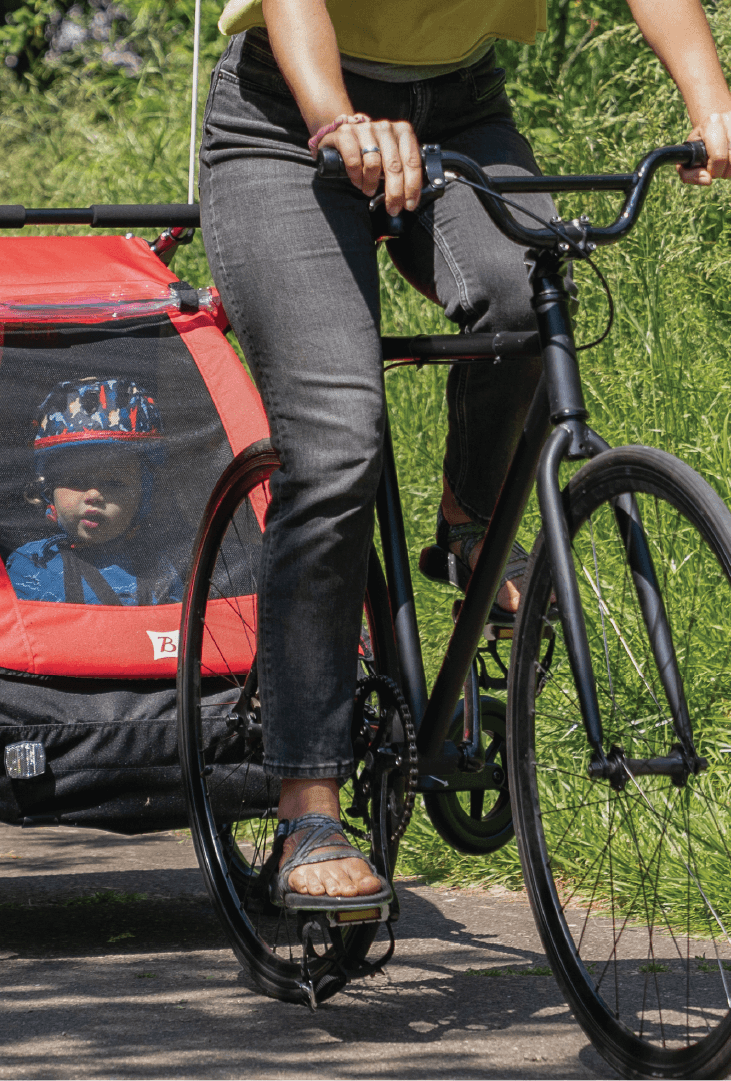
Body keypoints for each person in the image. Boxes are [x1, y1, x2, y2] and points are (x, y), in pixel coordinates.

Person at [200, 0, 731, 908]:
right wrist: (335, 115)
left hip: (462, 109)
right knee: (335, 443)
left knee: (532, 305)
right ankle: (308, 807)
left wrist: (711, 98)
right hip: (286, 119)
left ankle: (471, 523)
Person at [6, 376, 182, 606]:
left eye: (115, 484)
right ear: (48, 491)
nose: (93, 496)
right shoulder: (32, 564)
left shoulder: (158, 568)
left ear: (144, 495)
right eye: (76, 481)